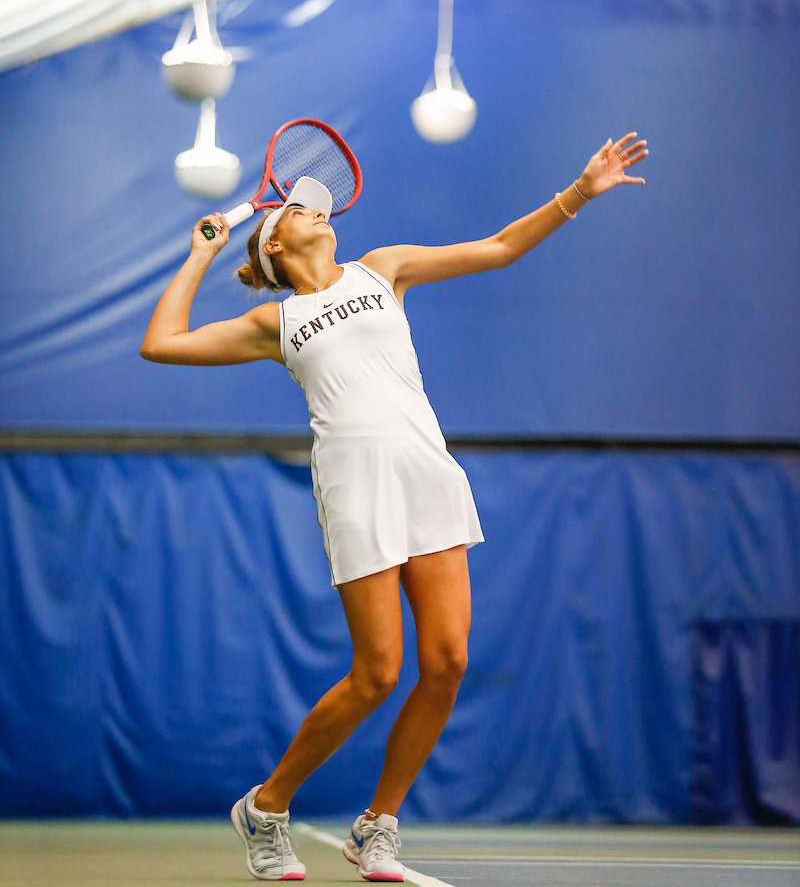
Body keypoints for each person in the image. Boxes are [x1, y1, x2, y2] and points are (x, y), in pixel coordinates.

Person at [141, 132, 648, 882]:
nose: (317, 213)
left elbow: (501, 247)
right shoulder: (270, 324)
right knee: (377, 673)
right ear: (274, 244)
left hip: (427, 476)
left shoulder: (383, 269)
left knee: (446, 662)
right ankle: (266, 807)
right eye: (299, 212)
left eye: (320, 208)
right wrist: (202, 253)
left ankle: (378, 825)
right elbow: (162, 342)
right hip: (355, 488)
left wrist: (580, 190)